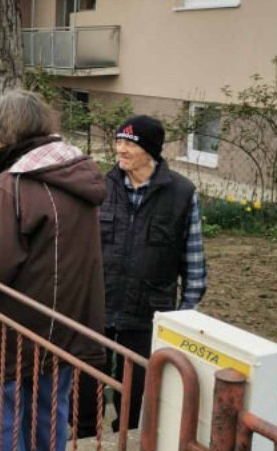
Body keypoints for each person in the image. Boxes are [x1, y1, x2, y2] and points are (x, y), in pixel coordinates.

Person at [0, 90, 107, 451]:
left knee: (4, 426)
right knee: (49, 420)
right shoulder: (72, 174)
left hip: (11, 337)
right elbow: (49, 227)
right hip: (62, 330)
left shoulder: (12, 185)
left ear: (4, 132)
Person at [75, 115, 208, 437]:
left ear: (150, 150)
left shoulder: (181, 193)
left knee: (136, 389)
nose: (119, 149)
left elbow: (194, 261)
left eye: (128, 143)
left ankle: (129, 437)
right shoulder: (100, 187)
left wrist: (181, 318)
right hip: (99, 303)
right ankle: (85, 436)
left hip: (150, 310)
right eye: (118, 142)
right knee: (86, 378)